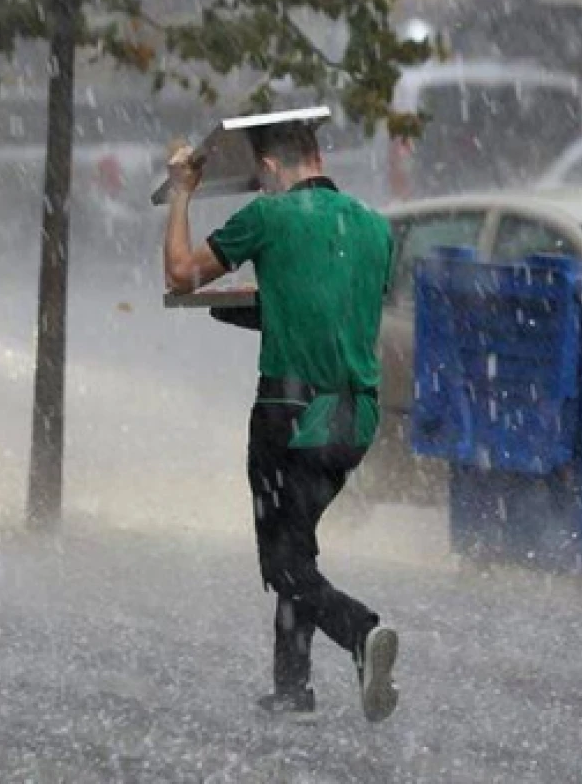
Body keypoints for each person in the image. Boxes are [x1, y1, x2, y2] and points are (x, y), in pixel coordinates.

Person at [162, 119, 399, 723]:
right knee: (297, 545)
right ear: (318, 154)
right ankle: (292, 688)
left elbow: (181, 273)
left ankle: (360, 632)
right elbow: (332, 309)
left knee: (284, 564)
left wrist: (183, 190)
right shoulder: (374, 227)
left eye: (260, 178)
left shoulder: (268, 218)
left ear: (268, 169)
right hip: (354, 420)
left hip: (289, 417)